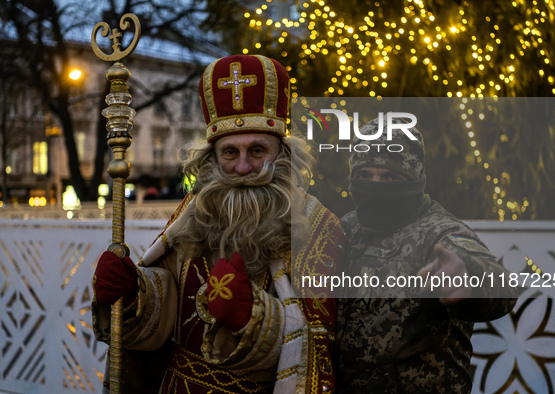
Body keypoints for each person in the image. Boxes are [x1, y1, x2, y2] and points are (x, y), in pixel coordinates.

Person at [92, 54, 345, 393]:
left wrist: (251, 318)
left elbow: (312, 351)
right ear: (212, 158)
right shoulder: (195, 209)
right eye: (230, 153)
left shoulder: (318, 226)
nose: (242, 168)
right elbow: (171, 307)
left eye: (257, 150)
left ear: (283, 155)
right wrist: (136, 294)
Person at [335, 116, 517, 393]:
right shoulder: (345, 229)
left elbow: (501, 287)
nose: (375, 185)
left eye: (391, 176)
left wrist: (468, 277)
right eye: (364, 175)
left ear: (415, 177)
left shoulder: (439, 233)